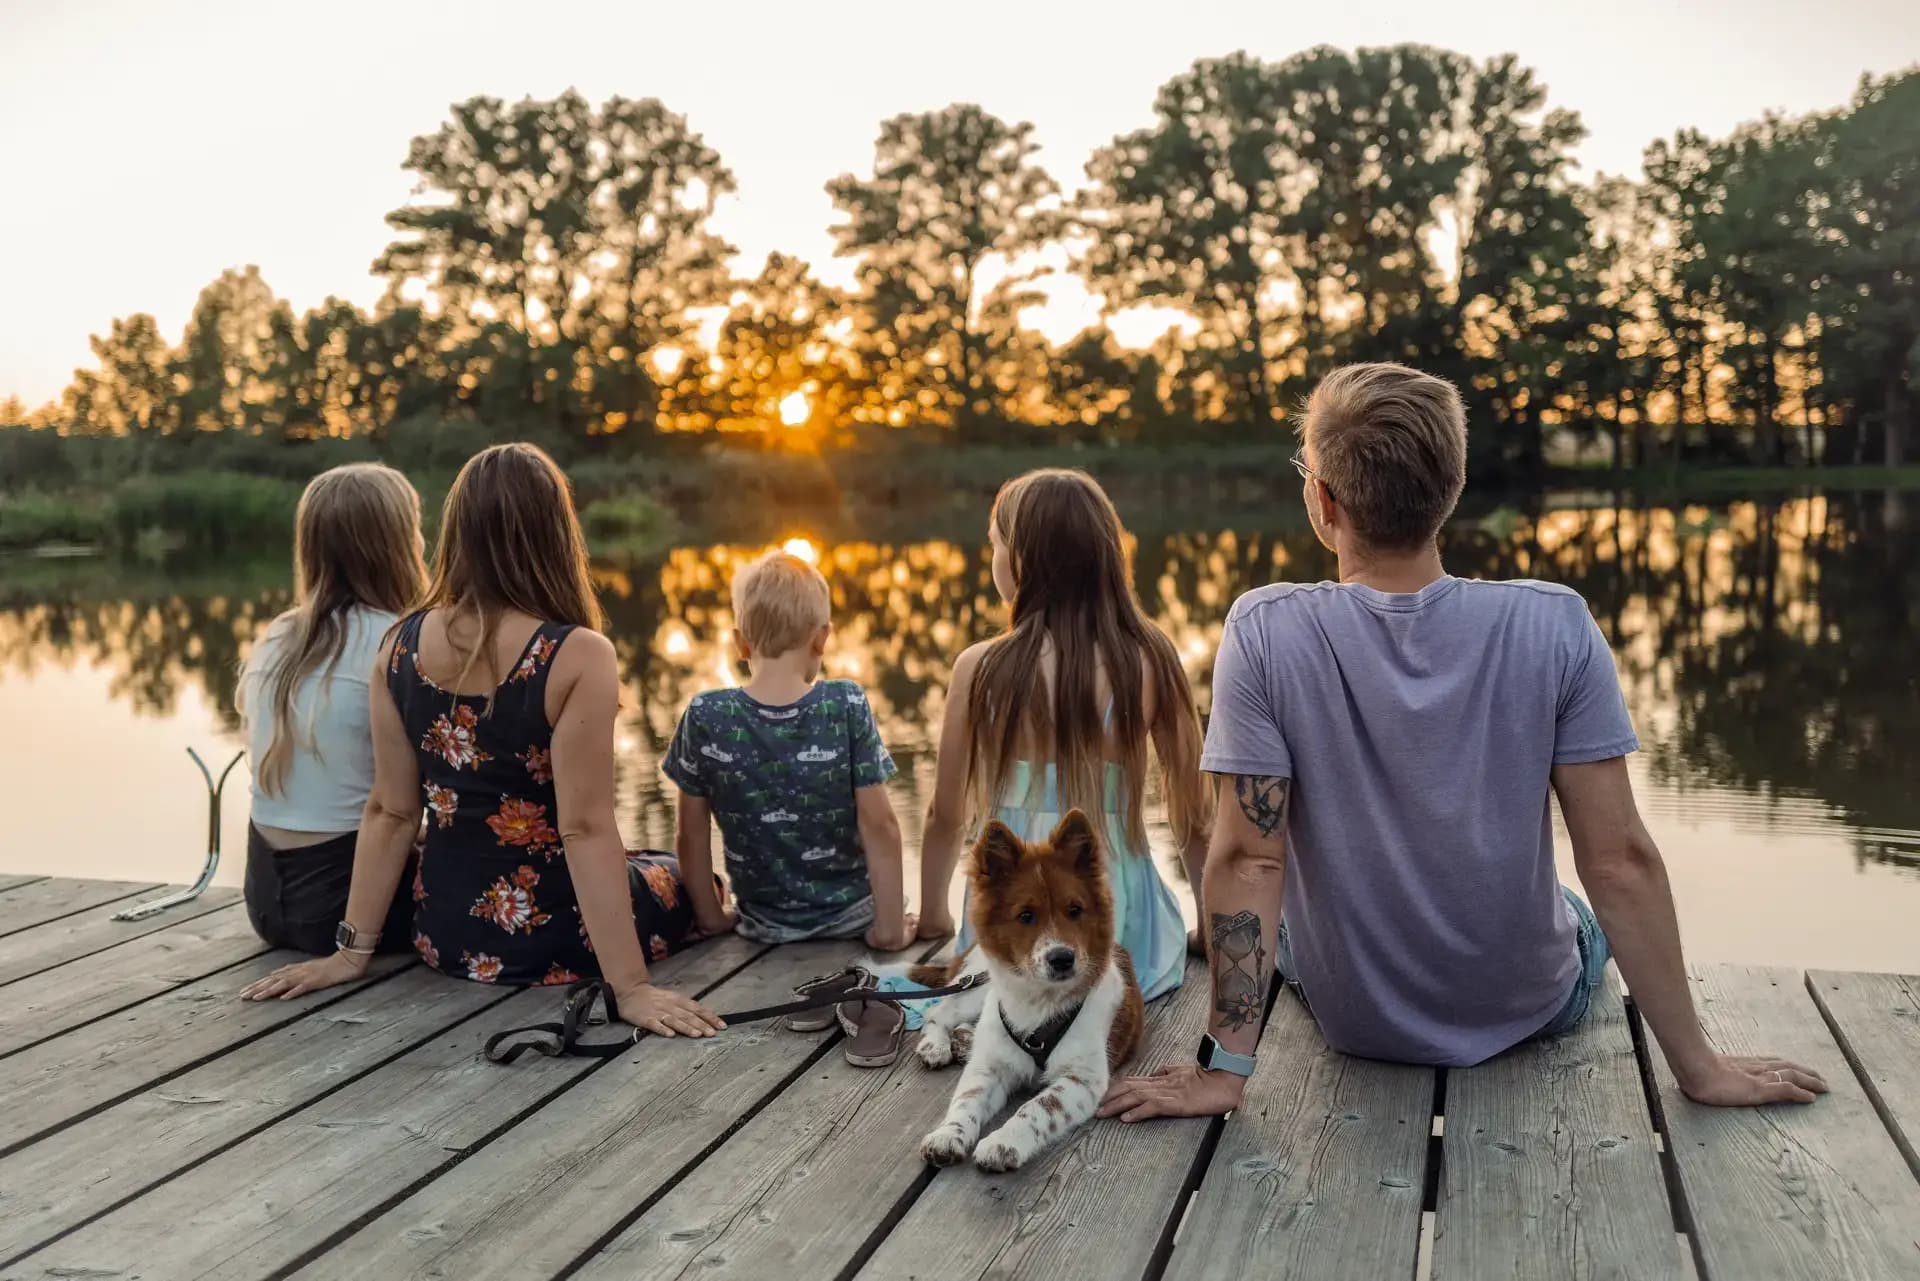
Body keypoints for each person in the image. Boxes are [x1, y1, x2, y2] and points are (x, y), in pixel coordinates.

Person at [1101, 362, 1828, 1122]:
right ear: (1453, 486)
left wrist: (1220, 1072)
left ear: (1324, 500)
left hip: (1359, 1020)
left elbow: (1249, 857)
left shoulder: (1265, 630)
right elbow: (1620, 859)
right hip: (1532, 1006)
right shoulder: (1555, 624)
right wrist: (1700, 1065)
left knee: (1287, 913)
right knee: (1574, 903)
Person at [242, 443, 724, 1040]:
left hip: (446, 935)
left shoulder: (399, 643)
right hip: (551, 935)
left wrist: (350, 953)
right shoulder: (576, 654)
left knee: (636, 862)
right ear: (555, 532)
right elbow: (585, 828)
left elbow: (391, 811)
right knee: (675, 872)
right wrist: (631, 988)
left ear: (457, 532)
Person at [917, 468, 1209, 1003]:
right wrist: (1212, 926)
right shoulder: (1150, 657)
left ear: (1022, 560)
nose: (993, 559)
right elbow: (1193, 815)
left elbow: (944, 816)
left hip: (1016, 927)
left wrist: (933, 914)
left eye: (996, 545)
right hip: (1120, 929)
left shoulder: (979, 667)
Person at [662, 548, 915, 950]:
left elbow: (689, 835)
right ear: (822, 638)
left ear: (740, 644)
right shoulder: (845, 704)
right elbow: (880, 826)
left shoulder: (706, 714)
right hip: (853, 917)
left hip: (763, 922)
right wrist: (888, 930)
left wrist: (712, 916)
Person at [236, 463, 425, 955]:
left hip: (265, 903)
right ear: (397, 545)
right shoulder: (398, 642)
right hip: (346, 910)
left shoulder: (277, 637)